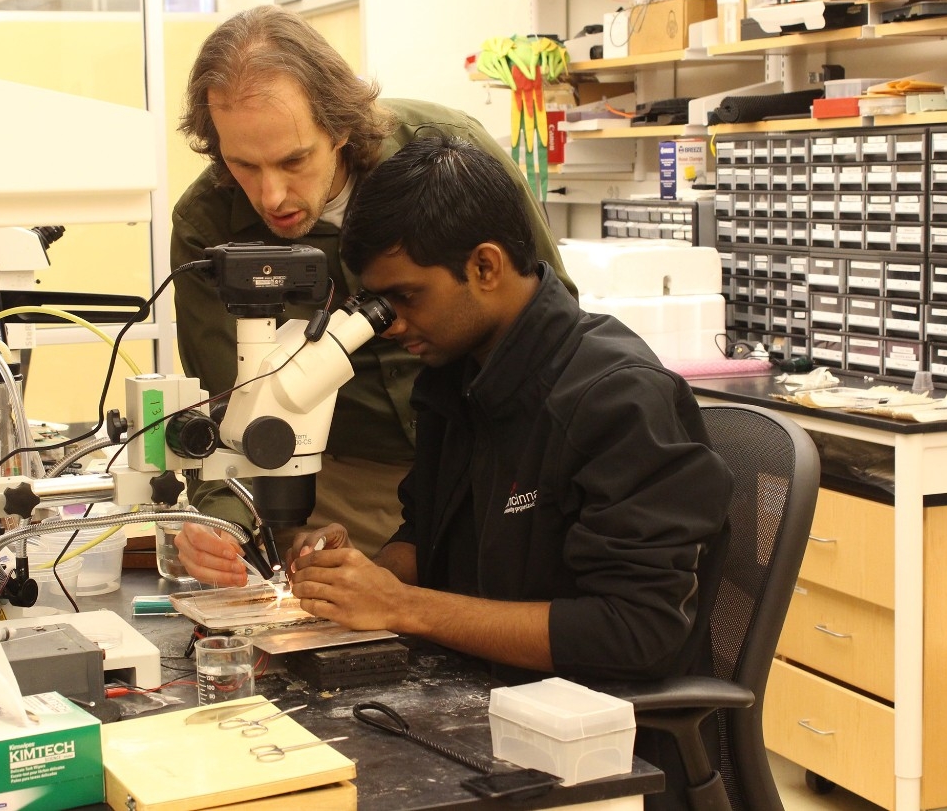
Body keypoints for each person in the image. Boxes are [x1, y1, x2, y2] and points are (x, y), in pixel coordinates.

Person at [177, 134, 733, 811]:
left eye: (405, 296)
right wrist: (370, 576)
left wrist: (401, 606)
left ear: (487, 266)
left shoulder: (619, 399)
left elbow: (634, 631)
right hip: (482, 710)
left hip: (603, 752)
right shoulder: (455, 376)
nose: (389, 324)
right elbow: (428, 536)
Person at [170, 5, 576, 557]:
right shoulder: (206, 225)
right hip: (336, 482)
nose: (270, 196)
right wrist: (223, 524)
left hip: (492, 455)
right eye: (243, 165)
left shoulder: (450, 152)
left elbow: (549, 316)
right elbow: (229, 405)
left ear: (338, 126)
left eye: (294, 161)